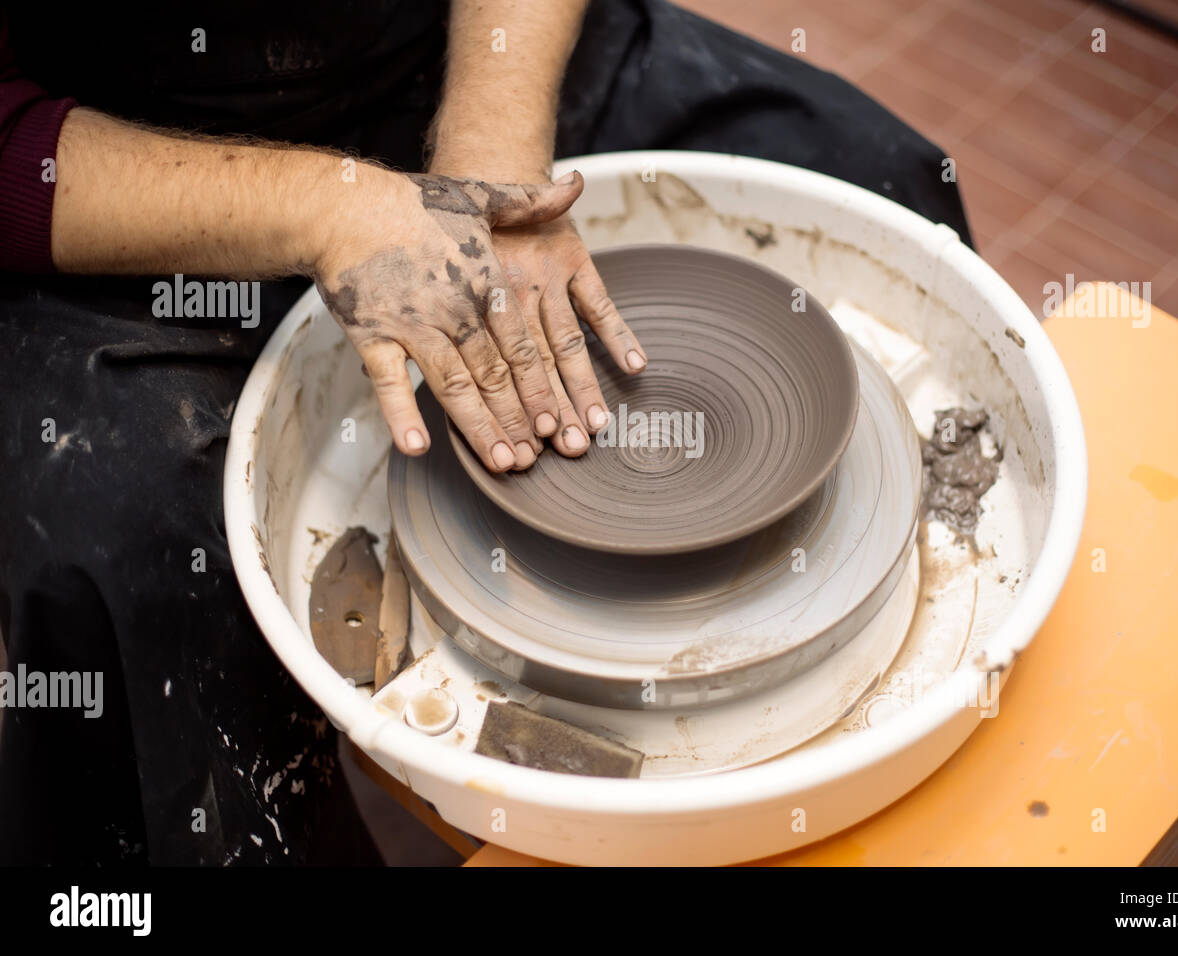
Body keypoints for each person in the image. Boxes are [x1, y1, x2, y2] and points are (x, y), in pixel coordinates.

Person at [0, 0, 971, 865]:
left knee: (882, 173)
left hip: (459, 60)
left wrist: (491, 160)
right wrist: (325, 207)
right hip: (125, 174)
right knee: (112, 526)